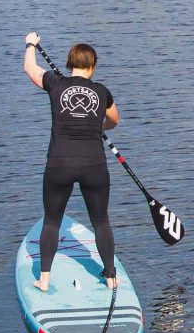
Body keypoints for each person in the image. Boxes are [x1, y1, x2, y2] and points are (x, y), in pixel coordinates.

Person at [23, 32, 121, 291]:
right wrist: (99, 125)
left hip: (59, 164)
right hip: (94, 166)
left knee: (52, 221)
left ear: (70, 64)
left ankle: (44, 279)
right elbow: (114, 120)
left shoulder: (55, 83)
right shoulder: (102, 92)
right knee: (101, 221)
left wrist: (31, 44)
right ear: (92, 66)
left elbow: (29, 68)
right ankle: (111, 277)